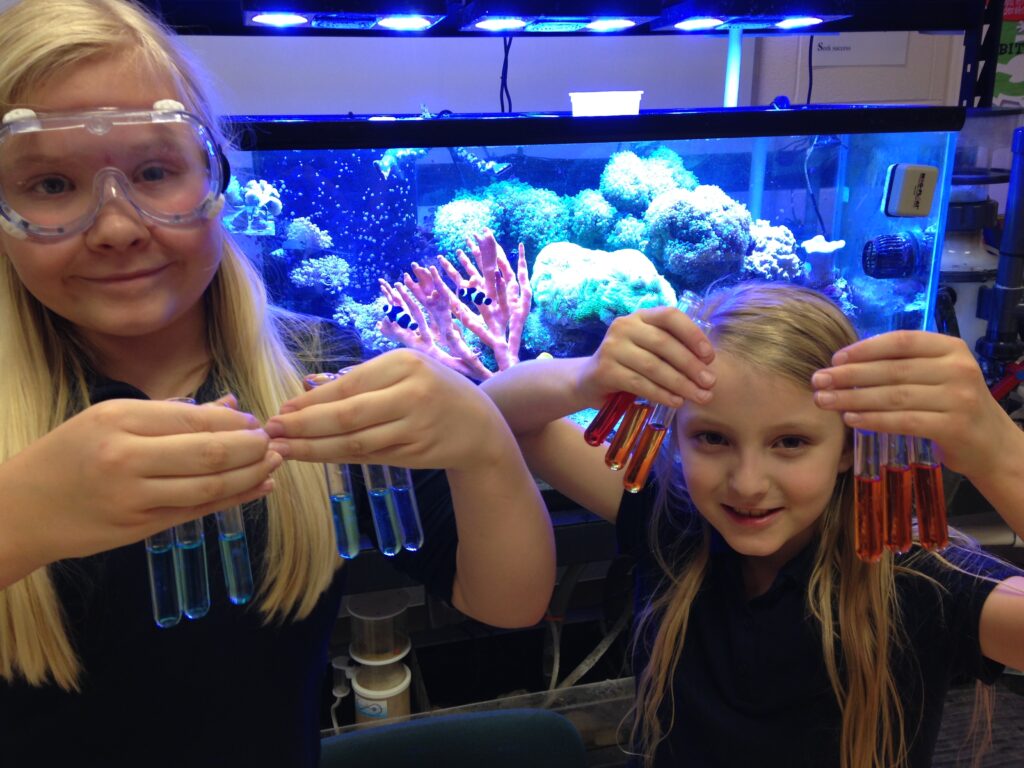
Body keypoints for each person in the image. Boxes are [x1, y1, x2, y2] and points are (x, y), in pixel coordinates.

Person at [0, 1, 554, 765]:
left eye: (156, 171)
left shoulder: (315, 360)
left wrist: (485, 444)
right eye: (52, 184)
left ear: (215, 176)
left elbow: (507, 601)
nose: (117, 224)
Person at [481, 280, 1024, 767]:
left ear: (848, 447)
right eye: (712, 438)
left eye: (790, 442)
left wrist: (1001, 454)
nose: (746, 483)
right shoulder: (674, 516)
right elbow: (496, 416)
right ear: (675, 432)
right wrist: (585, 375)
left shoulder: (920, 579)